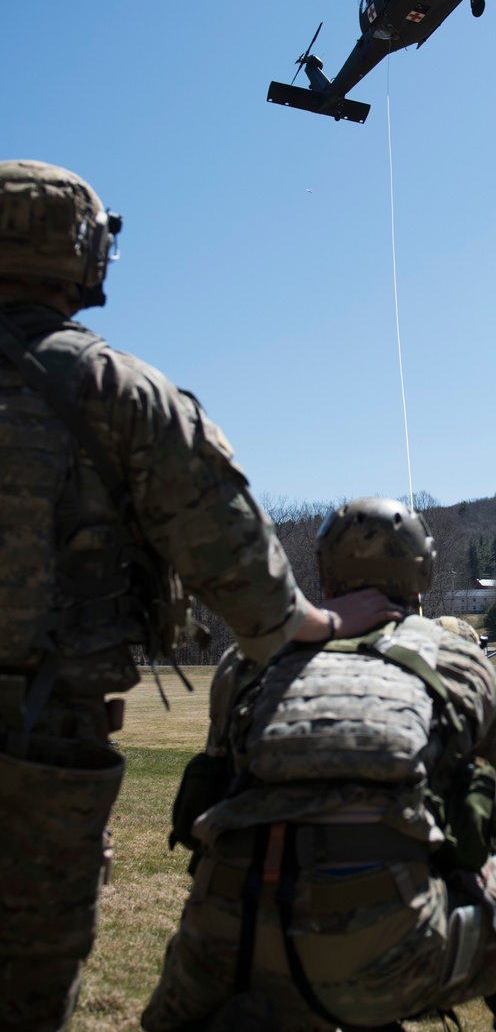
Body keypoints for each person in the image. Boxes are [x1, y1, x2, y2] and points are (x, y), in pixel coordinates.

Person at [0, 159, 389, 1032]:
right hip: (34, 754)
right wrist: (324, 619)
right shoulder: (118, 392)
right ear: (81, 254)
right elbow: (242, 574)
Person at [142, 497, 496, 1032]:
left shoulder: (246, 662)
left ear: (324, 570)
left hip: (234, 939)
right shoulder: (459, 661)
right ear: (421, 571)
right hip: (392, 960)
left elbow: (212, 792)